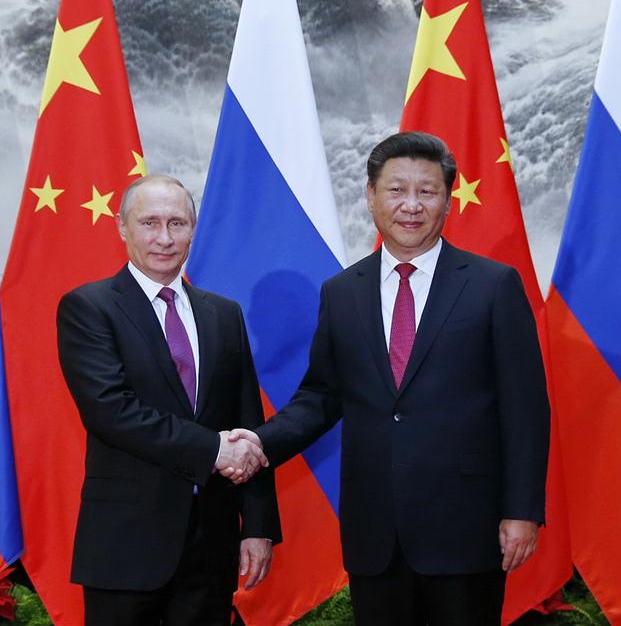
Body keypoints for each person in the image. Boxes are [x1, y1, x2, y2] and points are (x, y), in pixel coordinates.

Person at [228, 132, 550, 625]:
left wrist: (522, 509)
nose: (411, 205)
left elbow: (525, 408)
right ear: (371, 196)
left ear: (447, 199)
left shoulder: (493, 285)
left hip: (466, 529)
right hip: (374, 532)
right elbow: (322, 395)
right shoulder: (342, 292)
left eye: (427, 191)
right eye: (397, 190)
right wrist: (258, 442)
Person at [57, 174, 281, 626]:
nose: (164, 238)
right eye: (150, 223)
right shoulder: (88, 308)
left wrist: (257, 526)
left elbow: (247, 424)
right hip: (126, 548)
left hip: (211, 549)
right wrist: (215, 450)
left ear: (193, 229)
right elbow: (112, 412)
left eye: (177, 223)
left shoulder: (224, 314)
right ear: (122, 227)